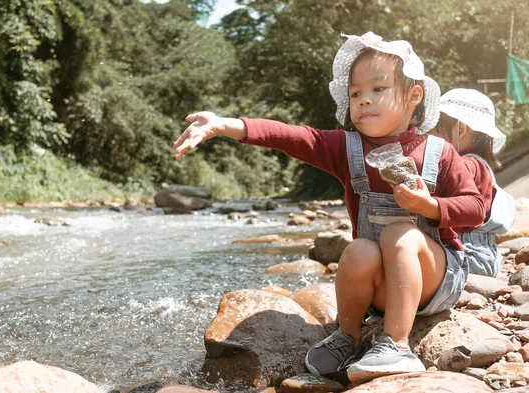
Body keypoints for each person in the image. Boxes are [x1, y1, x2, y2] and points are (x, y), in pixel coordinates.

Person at [173, 32, 484, 384]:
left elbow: (475, 208)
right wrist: (224, 125)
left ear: (414, 97)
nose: (364, 100)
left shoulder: (439, 152)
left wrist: (430, 205)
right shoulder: (345, 148)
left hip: (434, 280)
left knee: (400, 233)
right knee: (358, 250)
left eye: (378, 89)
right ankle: (348, 336)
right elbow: (290, 136)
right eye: (356, 93)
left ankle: (397, 344)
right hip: (382, 289)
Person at [431, 89, 516, 277]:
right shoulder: (479, 164)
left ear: (460, 130)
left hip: (469, 252)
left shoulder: (466, 165)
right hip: (482, 253)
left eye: (433, 132)